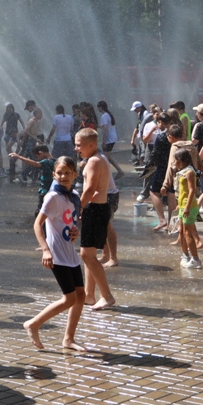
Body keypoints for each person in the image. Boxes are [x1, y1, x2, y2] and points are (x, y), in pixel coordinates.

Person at [23, 157, 86, 351]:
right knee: (69, 298)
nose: (64, 176)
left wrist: (77, 231)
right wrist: (45, 250)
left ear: (75, 174)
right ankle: (33, 323)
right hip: (57, 254)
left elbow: (74, 221)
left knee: (80, 296)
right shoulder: (52, 197)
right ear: (54, 175)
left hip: (70, 253)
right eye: (60, 173)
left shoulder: (74, 195)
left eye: (68, 172)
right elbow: (37, 224)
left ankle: (68, 339)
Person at [74, 128, 117, 305]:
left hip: (95, 209)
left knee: (87, 256)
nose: (76, 148)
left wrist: (77, 209)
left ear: (91, 144)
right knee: (89, 255)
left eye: (78, 145)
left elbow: (90, 189)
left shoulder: (93, 161)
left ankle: (106, 296)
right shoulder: (99, 158)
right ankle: (89, 295)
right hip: (99, 208)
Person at [174, 150, 202, 268]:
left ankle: (196, 260)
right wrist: (179, 205)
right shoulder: (182, 172)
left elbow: (192, 191)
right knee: (181, 232)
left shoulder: (190, 172)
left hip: (189, 207)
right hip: (183, 206)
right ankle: (185, 256)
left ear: (182, 161)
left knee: (187, 233)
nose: (174, 163)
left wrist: (186, 207)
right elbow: (182, 191)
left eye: (176, 160)